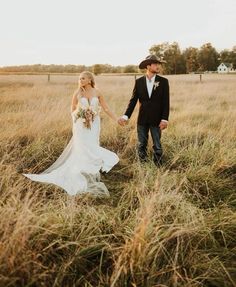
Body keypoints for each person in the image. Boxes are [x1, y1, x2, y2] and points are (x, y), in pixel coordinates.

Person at [23, 71, 119, 196]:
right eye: (79, 79)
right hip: (80, 124)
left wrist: (116, 119)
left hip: (94, 124)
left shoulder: (97, 92)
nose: (80, 80)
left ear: (90, 80)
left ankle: (90, 168)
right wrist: (80, 116)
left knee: (92, 145)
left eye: (83, 78)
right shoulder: (78, 93)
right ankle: (81, 170)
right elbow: (72, 109)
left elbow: (105, 108)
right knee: (82, 147)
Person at [118, 55, 170, 166]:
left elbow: (166, 102)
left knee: (157, 145)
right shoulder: (139, 82)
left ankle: (158, 166)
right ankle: (143, 165)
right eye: (155, 64)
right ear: (148, 66)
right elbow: (133, 101)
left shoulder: (164, 82)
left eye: (158, 64)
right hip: (142, 119)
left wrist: (164, 119)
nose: (158, 66)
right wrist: (125, 116)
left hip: (157, 119)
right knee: (141, 144)